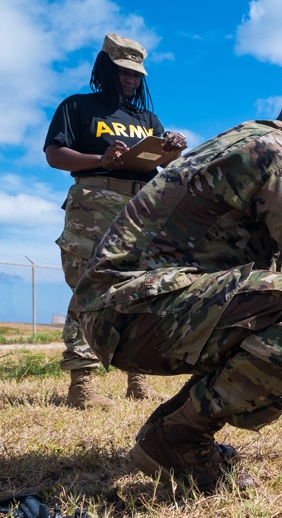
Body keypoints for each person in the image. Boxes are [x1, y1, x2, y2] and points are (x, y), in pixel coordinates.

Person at [73, 88, 282, 494]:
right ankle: (179, 437)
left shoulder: (247, 145)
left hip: (124, 307)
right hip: (131, 309)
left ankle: (171, 430)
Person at [45, 34, 187, 409]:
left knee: (142, 289)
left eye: (137, 74)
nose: (132, 80)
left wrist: (171, 150)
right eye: (124, 72)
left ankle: (138, 379)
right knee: (87, 287)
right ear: (106, 68)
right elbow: (55, 155)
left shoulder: (147, 118)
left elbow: (164, 165)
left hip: (141, 208)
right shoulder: (78, 106)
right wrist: (100, 160)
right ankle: (82, 385)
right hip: (93, 203)